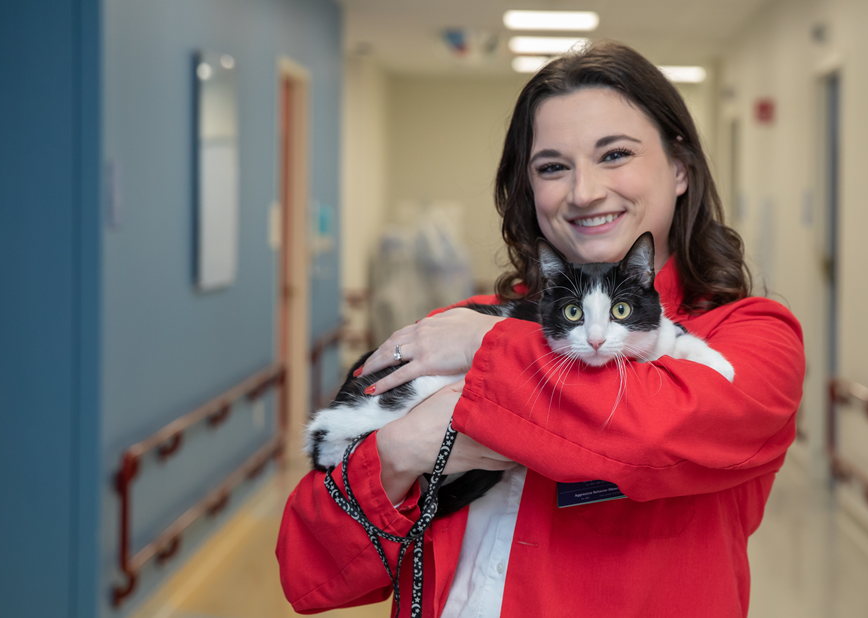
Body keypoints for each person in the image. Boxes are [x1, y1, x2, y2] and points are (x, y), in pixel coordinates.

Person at [277, 41, 805, 617]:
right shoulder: (455, 325)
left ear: (680, 168)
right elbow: (309, 570)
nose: (583, 192)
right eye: (552, 167)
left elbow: (650, 435)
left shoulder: (753, 338)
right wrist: (404, 450)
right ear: (530, 191)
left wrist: (489, 346)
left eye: (615, 155)